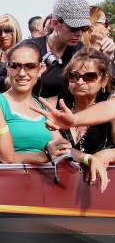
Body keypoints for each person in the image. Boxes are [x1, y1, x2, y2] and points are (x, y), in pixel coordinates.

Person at [0, 0, 115, 97]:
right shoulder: (29, 47)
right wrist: (25, 76)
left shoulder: (80, 51)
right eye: (73, 28)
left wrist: (107, 58)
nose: (79, 33)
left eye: (84, 28)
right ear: (55, 23)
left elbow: (103, 87)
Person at [46, 47, 113, 192]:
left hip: (103, 192)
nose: (80, 81)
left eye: (89, 76)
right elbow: (60, 148)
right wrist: (89, 158)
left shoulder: (111, 104)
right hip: (59, 189)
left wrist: (108, 153)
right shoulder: (53, 105)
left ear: (104, 80)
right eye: (74, 76)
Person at [0, 42, 70, 163]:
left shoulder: (43, 106)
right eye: (15, 66)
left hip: (46, 179)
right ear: (7, 68)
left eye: (30, 66)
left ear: (41, 69)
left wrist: (88, 158)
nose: (22, 73)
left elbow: (61, 148)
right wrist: (43, 156)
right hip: (9, 179)